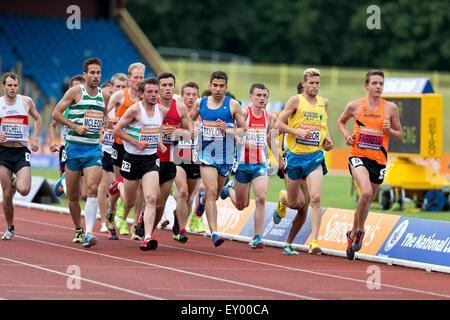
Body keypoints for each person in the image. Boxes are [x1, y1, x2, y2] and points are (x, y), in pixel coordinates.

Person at [337, 69, 403, 260]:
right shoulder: (355, 106)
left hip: (379, 160)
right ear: (366, 86)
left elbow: (400, 135)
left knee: (366, 201)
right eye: (374, 83)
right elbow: (341, 122)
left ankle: (351, 232)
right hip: (357, 156)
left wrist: (390, 130)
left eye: (381, 84)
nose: (378, 87)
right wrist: (346, 135)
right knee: (365, 192)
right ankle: (360, 230)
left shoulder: (391, 108)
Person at [52, 57, 112, 248]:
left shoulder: (105, 96)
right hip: (73, 149)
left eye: (98, 73)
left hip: (93, 150)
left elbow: (103, 117)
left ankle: (89, 233)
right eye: (92, 73)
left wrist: (106, 123)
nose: (96, 76)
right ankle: (78, 228)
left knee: (92, 189)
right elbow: (56, 114)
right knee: (73, 195)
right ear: (85, 74)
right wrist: (74, 126)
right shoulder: (76, 91)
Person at [274, 68, 333, 254]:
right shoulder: (295, 100)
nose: (315, 86)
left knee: (314, 199)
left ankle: (314, 241)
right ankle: (283, 199)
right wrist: (297, 131)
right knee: (295, 203)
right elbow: (278, 124)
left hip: (314, 157)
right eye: (311, 83)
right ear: (304, 84)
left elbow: (322, 124)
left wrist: (327, 139)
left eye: (317, 83)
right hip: (295, 158)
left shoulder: (324, 103)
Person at [190, 71, 247, 247]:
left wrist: (228, 130)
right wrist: (193, 130)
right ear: (210, 85)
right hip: (206, 153)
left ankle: (201, 202)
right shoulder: (201, 103)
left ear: (226, 87)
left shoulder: (233, 105)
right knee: (213, 190)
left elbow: (243, 129)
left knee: (211, 196)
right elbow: (190, 119)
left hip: (226, 155)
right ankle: (214, 232)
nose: (218, 89)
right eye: (215, 85)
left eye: (221, 86)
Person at [220, 83, 276, 249]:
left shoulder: (270, 117)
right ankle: (229, 188)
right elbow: (228, 132)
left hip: (260, 164)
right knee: (241, 205)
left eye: (265, 96)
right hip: (242, 164)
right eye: (258, 95)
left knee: (261, 197)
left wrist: (280, 158)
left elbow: (270, 139)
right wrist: (242, 141)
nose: (262, 99)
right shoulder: (244, 113)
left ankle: (257, 236)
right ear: (251, 97)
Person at [113, 77, 166, 251]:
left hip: (150, 159)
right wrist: (135, 143)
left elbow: (156, 128)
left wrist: (159, 143)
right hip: (131, 158)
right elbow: (117, 130)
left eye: (155, 92)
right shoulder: (135, 110)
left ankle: (148, 236)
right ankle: (117, 186)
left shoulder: (161, 110)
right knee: (129, 202)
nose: (153, 95)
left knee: (151, 198)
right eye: (149, 92)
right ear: (142, 94)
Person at [150, 72, 192, 242]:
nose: (167, 88)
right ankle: (144, 230)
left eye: (170, 85)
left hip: (171, 158)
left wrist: (176, 132)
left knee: (161, 201)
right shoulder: (150, 104)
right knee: (150, 197)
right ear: (158, 87)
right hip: (150, 157)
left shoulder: (180, 107)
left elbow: (189, 134)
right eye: (164, 85)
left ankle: (149, 230)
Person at [0, 72, 41, 240]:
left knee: (24, 190)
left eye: (15, 85)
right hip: (2, 152)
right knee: (7, 194)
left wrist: (36, 138)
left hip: (21, 151)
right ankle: (10, 227)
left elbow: (38, 119)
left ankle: (15, 184)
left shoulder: (26, 101)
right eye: (9, 85)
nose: (12, 88)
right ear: (3, 86)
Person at [106, 63, 145, 238]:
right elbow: (104, 113)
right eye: (135, 77)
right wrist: (108, 120)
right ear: (129, 78)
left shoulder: (146, 99)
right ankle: (111, 210)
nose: (138, 80)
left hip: (138, 148)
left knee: (140, 187)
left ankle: (135, 224)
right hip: (120, 146)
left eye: (141, 77)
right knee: (120, 185)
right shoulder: (120, 95)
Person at [172, 81, 205, 236]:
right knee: (183, 192)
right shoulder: (177, 112)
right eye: (188, 94)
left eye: (194, 95)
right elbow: (168, 131)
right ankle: (182, 230)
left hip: (196, 159)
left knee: (190, 197)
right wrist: (184, 132)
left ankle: (178, 217)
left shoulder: (202, 115)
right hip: (178, 158)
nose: (191, 98)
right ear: (182, 95)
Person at [50, 75, 86, 199]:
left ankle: (65, 180)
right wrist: (53, 141)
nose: (76, 89)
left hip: (84, 147)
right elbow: (52, 125)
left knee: (84, 193)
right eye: (74, 87)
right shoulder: (64, 105)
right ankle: (64, 179)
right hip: (67, 147)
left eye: (79, 87)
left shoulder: (87, 105)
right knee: (71, 191)